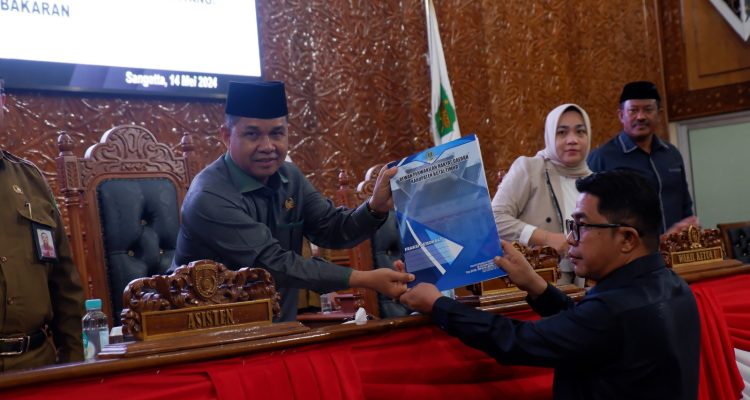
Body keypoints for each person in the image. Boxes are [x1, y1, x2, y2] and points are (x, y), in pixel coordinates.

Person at [400, 170, 700, 399]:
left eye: (581, 226)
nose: (571, 237)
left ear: (626, 239)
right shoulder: (672, 286)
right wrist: (536, 286)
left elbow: (516, 341)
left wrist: (438, 305)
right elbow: (589, 332)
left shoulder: (614, 310)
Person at [173, 80, 414, 321]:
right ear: (226, 136)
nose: (267, 146)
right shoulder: (208, 195)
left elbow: (332, 229)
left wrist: (375, 208)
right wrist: (364, 279)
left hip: (279, 332)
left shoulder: (290, 177)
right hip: (208, 338)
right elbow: (271, 264)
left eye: (277, 133)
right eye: (252, 134)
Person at [0, 77, 85, 372]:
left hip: (38, 366)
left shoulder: (31, 180)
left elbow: (65, 283)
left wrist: (75, 366)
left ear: (3, 103)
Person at [491, 103, 591, 285]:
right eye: (562, 132)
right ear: (550, 136)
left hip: (587, 286)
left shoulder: (595, 181)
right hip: (539, 284)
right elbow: (494, 219)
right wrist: (545, 237)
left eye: (580, 132)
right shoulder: (530, 168)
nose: (572, 140)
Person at [587, 81, 696, 235]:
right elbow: (593, 216)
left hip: (676, 252)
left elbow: (685, 205)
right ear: (621, 115)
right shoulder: (602, 158)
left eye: (648, 110)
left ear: (659, 114)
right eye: (633, 110)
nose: (641, 117)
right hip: (629, 256)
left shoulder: (672, 154)